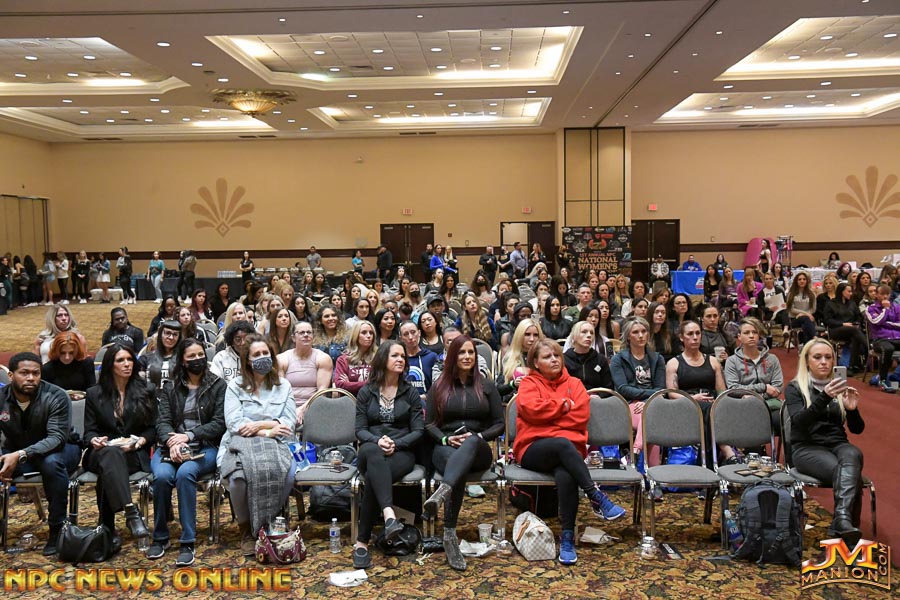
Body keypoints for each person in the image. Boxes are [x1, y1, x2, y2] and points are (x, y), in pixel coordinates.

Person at [515, 339, 626, 565]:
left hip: (567, 452)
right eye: (547, 357)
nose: (554, 360)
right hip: (533, 448)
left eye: (557, 355)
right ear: (535, 363)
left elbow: (580, 416)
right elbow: (530, 410)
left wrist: (549, 419)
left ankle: (567, 537)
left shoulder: (575, 384)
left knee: (566, 474)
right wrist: (563, 406)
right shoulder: (528, 383)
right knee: (563, 444)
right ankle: (595, 496)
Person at [423, 336, 503, 570]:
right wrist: (446, 439)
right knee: (455, 465)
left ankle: (442, 493)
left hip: (478, 449)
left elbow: (499, 423)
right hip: (446, 447)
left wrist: (479, 436)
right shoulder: (439, 386)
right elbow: (429, 424)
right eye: (462, 352)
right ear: (452, 356)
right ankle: (449, 536)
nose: (467, 356)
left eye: (471, 352)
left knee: (470, 442)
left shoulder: (486, 385)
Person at [148, 338, 225, 565]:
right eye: (191, 356)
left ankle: (187, 541)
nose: (197, 359)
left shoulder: (217, 385)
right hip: (170, 446)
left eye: (200, 354)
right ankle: (160, 537)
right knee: (162, 476)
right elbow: (162, 421)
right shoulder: (170, 387)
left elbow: (219, 423)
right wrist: (172, 443)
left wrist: (190, 436)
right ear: (182, 360)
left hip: (205, 446)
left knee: (185, 473)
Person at [219, 334, 296, 556]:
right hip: (240, 444)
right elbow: (235, 424)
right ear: (248, 361)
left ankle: (268, 523)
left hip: (277, 444)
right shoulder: (235, 386)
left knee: (287, 475)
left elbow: (288, 422)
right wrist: (268, 430)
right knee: (238, 479)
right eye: (257, 354)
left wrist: (259, 426)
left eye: (266, 353)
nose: (263, 357)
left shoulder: (283, 385)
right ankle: (246, 529)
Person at [352, 342, 424, 569]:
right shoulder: (367, 391)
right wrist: (377, 440)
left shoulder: (410, 393)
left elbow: (418, 431)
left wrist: (396, 443)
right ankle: (388, 514)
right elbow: (360, 430)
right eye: (395, 355)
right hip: (370, 449)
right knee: (373, 452)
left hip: (401, 452)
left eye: (403, 356)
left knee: (375, 477)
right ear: (383, 359)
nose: (401, 359)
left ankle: (362, 542)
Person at [785, 339, 865, 546]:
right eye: (817, 357)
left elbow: (857, 429)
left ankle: (842, 521)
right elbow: (799, 422)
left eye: (828, 357)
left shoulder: (840, 388)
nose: (824, 362)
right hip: (806, 448)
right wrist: (825, 396)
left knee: (854, 454)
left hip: (837, 444)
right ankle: (846, 527)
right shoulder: (795, 388)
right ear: (807, 361)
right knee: (850, 473)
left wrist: (852, 410)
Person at [0, 352, 81, 556]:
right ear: (11, 375)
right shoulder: (1, 398)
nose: (31, 378)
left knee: (51, 464)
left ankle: (57, 529)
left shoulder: (56, 395)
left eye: (36, 373)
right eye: (24, 373)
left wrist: (20, 455)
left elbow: (56, 438)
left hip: (62, 449)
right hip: (18, 451)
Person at [84, 344, 156, 544]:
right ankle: (130, 510)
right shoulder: (94, 394)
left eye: (130, 359)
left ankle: (107, 526)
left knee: (109, 469)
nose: (127, 364)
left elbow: (153, 429)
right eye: (120, 360)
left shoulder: (146, 390)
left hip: (133, 453)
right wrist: (94, 440)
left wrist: (140, 441)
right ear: (110, 365)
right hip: (100, 452)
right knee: (110, 455)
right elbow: (89, 431)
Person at [666, 320, 734, 466]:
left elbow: (721, 391)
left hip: (712, 405)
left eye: (698, 333)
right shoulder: (674, 363)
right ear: (681, 337)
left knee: (716, 407)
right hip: (686, 405)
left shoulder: (713, 361)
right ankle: (727, 451)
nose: (695, 337)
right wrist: (693, 398)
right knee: (705, 408)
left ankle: (709, 461)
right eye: (690, 334)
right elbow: (672, 394)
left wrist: (720, 403)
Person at [610, 316, 666, 468]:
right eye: (635, 332)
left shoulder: (657, 358)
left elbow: (661, 389)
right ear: (628, 336)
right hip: (628, 403)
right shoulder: (618, 359)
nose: (641, 335)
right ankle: (652, 473)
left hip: (653, 403)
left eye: (644, 331)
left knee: (649, 417)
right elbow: (623, 389)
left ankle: (636, 451)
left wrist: (647, 401)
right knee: (650, 420)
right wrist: (649, 396)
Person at [724, 318, 784, 433]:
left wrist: (754, 396)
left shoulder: (772, 359)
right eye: (747, 333)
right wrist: (764, 387)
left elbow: (777, 388)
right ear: (739, 337)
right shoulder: (732, 361)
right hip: (743, 406)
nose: (751, 336)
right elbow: (733, 389)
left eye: (754, 332)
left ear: (759, 335)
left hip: (770, 405)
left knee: (784, 421)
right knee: (747, 426)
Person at [276, 320, 333, 423]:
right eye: (302, 332)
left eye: (309, 332)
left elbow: (322, 391)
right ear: (293, 338)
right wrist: (292, 411)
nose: (306, 335)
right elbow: (280, 392)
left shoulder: (323, 358)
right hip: (287, 406)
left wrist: (302, 409)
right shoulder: (282, 359)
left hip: (314, 405)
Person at [824, 283, 868, 374]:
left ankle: (850, 367)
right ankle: (869, 347)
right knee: (854, 331)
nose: (851, 293)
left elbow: (859, 317)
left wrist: (857, 323)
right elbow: (828, 321)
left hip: (852, 330)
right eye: (849, 291)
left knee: (855, 337)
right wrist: (842, 324)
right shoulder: (831, 304)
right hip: (836, 329)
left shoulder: (852, 303)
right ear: (842, 292)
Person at [864, 284, 900, 393]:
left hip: (897, 337)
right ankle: (882, 381)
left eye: (887, 294)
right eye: (882, 294)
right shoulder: (870, 308)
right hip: (880, 339)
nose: (885, 296)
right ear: (876, 295)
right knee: (888, 349)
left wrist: (885, 323)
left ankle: (896, 376)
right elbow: (876, 321)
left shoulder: (897, 307)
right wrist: (886, 309)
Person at [564, 320, 613, 390]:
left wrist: (599, 394)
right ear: (574, 336)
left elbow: (608, 386)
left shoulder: (600, 360)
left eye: (592, 333)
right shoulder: (564, 360)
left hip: (596, 396)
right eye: (584, 332)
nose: (589, 335)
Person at [334, 320, 377, 395]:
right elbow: (340, 385)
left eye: (371, 333)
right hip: (350, 399)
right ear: (355, 336)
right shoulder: (343, 360)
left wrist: (349, 384)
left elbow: (380, 383)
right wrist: (369, 383)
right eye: (364, 332)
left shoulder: (378, 357)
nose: (369, 336)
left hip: (373, 399)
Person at [399, 320, 438, 397]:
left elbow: (438, 385)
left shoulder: (431, 357)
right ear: (401, 338)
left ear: (419, 333)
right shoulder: (399, 359)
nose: (410, 337)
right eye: (406, 334)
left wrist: (427, 396)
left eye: (413, 332)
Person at [140, 320, 182, 388]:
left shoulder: (183, 358)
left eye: (175, 334)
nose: (171, 337)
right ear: (160, 334)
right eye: (167, 333)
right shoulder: (145, 358)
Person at [757, 272, 790, 341]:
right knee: (784, 316)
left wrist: (785, 304)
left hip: (780, 310)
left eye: (770, 278)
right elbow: (760, 306)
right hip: (769, 313)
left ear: (773, 279)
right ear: (764, 280)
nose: (768, 280)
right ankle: (785, 334)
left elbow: (785, 301)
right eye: (766, 279)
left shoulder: (779, 290)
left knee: (784, 312)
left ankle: (785, 330)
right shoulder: (761, 293)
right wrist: (769, 309)